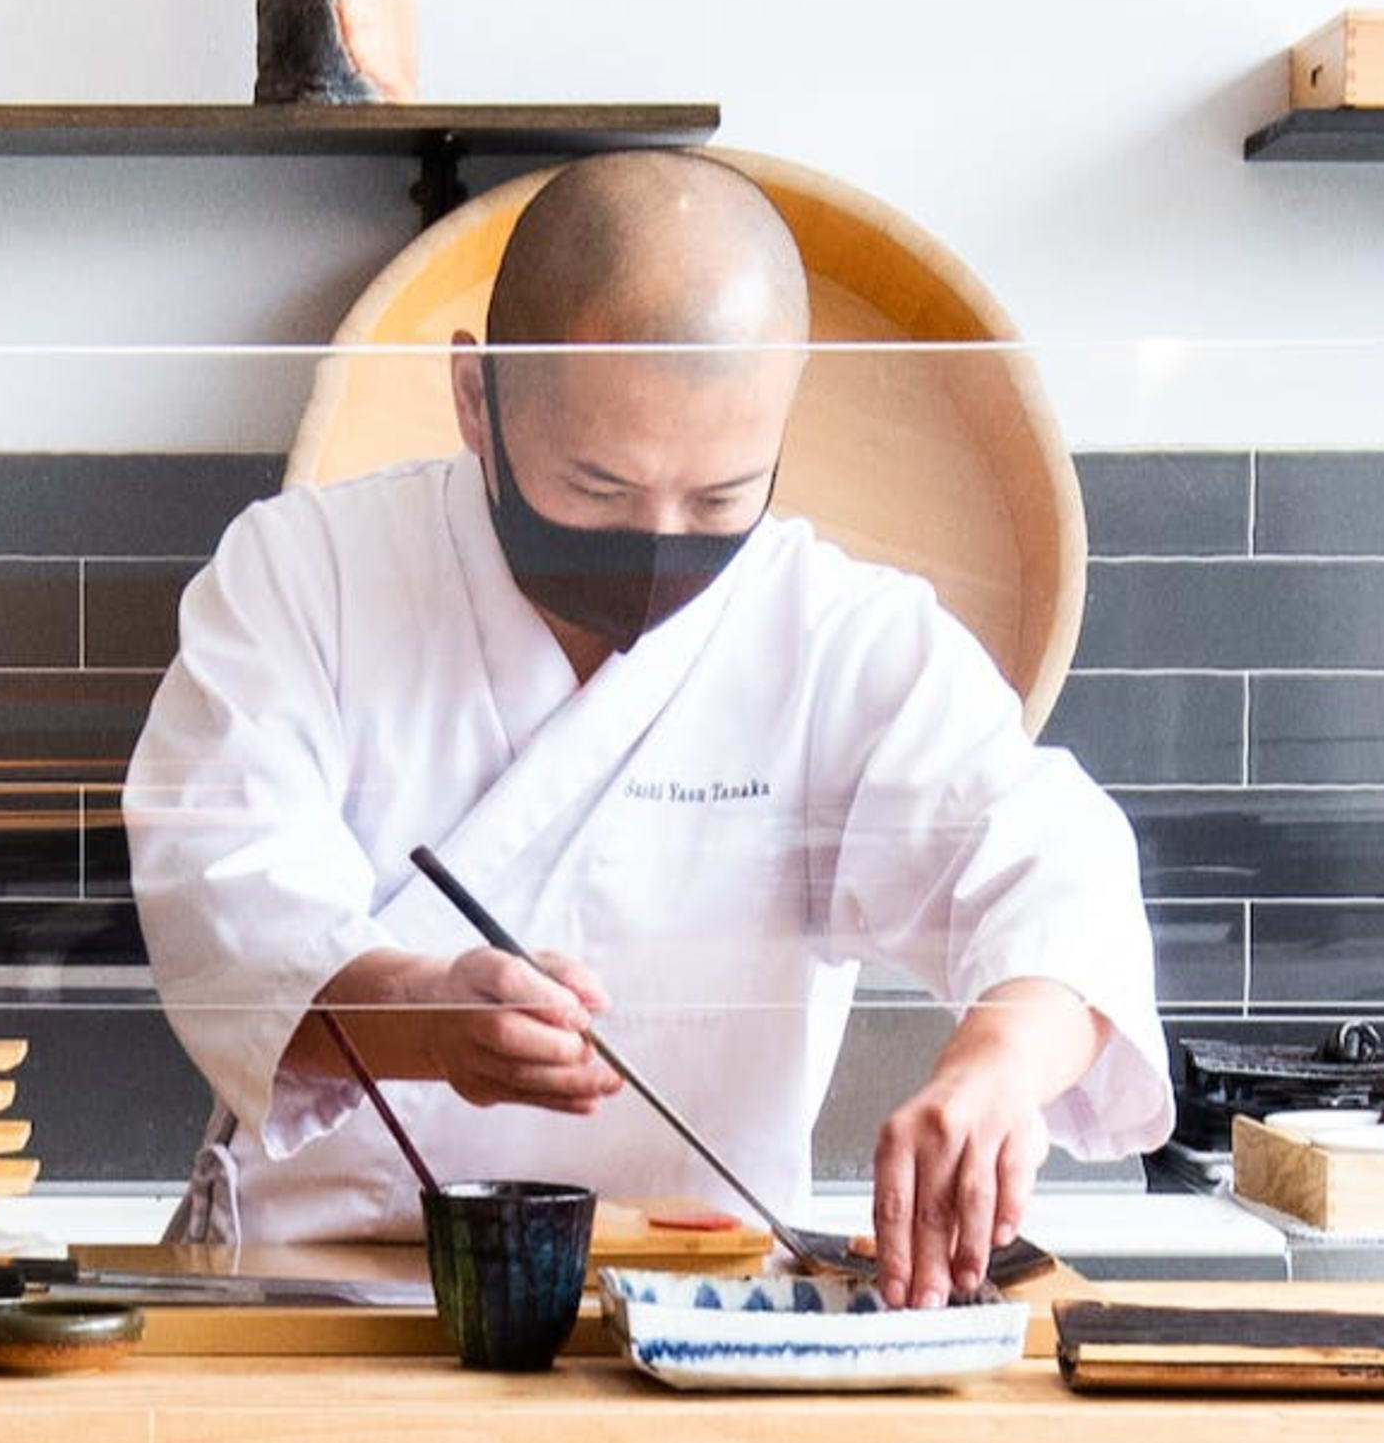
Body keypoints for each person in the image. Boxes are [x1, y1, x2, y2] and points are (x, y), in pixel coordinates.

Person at [123, 153, 1169, 1303]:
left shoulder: (834, 636)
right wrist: (420, 1016)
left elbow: (1045, 854)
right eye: (600, 490)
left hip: (696, 1305)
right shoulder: (302, 573)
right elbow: (220, 894)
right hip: (316, 1291)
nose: (661, 543)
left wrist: (998, 1066)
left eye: (721, 499)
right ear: (478, 397)